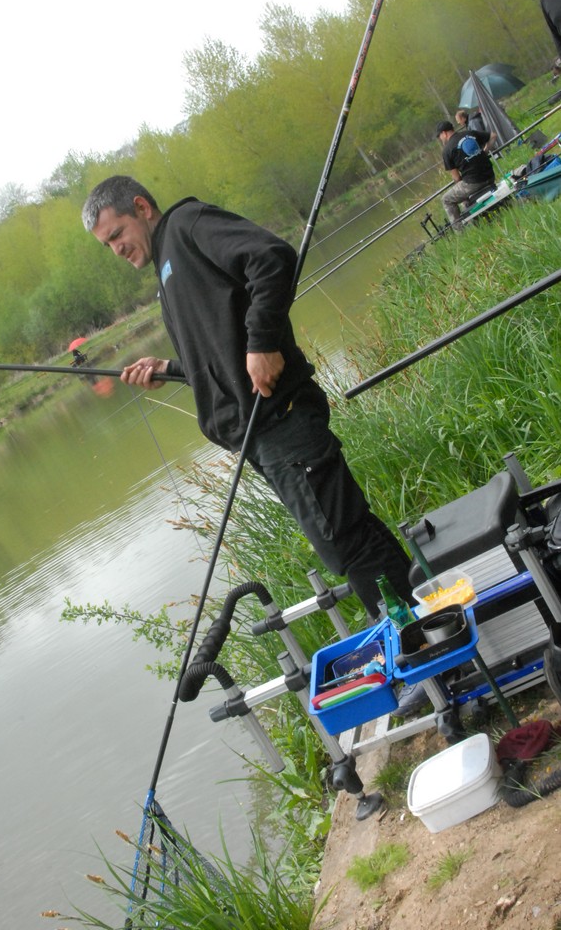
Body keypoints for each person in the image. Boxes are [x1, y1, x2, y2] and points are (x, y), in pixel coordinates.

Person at [81, 176, 415, 626]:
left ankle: (419, 643)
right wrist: (170, 368)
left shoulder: (188, 225)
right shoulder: (167, 265)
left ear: (141, 207)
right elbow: (219, 356)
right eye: (107, 245)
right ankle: (427, 620)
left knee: (345, 542)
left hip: (281, 420)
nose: (116, 249)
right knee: (350, 532)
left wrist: (264, 343)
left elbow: (271, 258)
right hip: (263, 434)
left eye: (116, 234)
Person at [435, 120, 497, 230]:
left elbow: (457, 178)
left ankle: (461, 231)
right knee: (464, 199)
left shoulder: (447, 150)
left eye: (440, 136)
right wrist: (485, 151)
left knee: (446, 200)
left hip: (474, 182)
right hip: (490, 175)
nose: (441, 139)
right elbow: (493, 135)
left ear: (444, 133)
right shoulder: (470, 133)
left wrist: (465, 198)